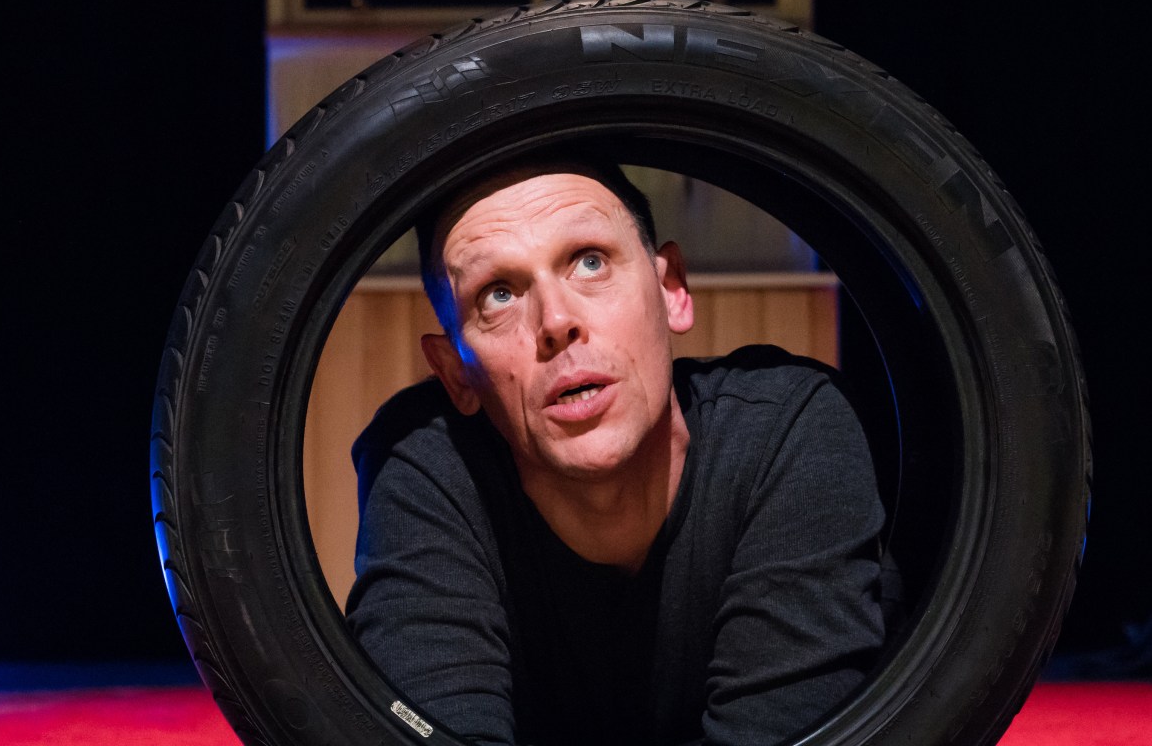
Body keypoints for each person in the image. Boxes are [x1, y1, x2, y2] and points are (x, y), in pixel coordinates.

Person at [345, 155, 885, 746]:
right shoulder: (426, 465)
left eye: (590, 261)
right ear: (456, 374)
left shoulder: (787, 429)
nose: (556, 321)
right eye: (498, 295)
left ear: (671, 290)